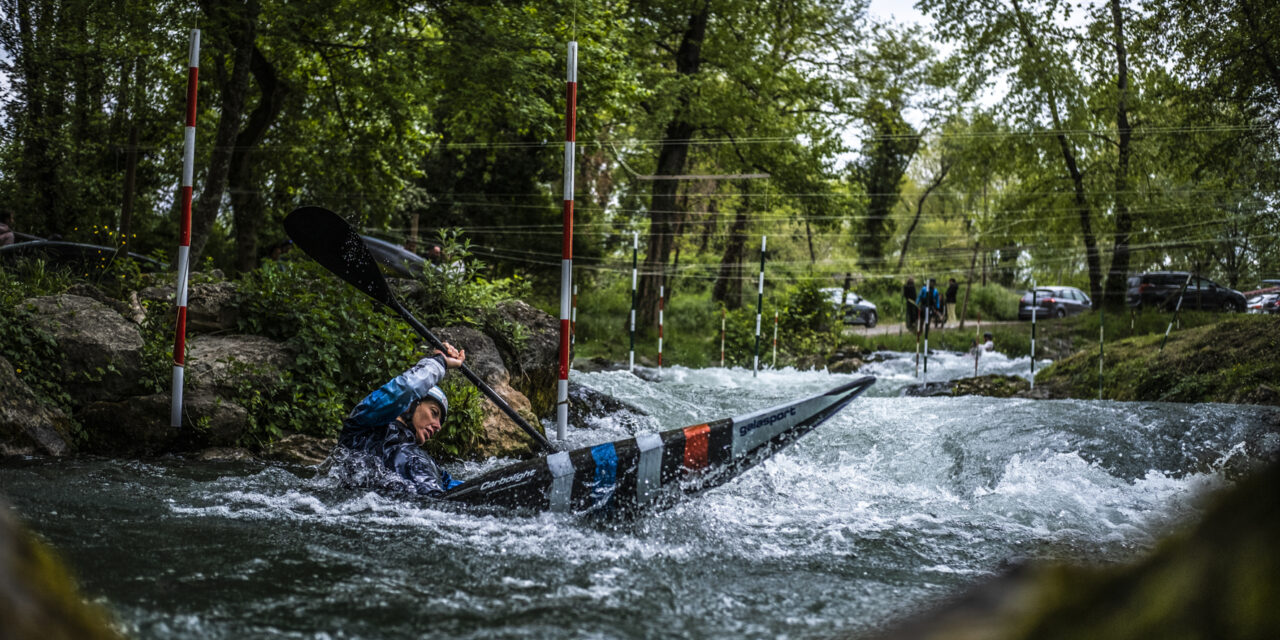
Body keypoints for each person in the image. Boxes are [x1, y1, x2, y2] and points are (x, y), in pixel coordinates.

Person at [334, 342, 468, 497]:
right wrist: (439, 362)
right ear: (411, 404)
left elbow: (462, 491)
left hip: (427, 507)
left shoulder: (427, 462)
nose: (438, 426)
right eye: (434, 413)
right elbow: (407, 389)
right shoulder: (363, 425)